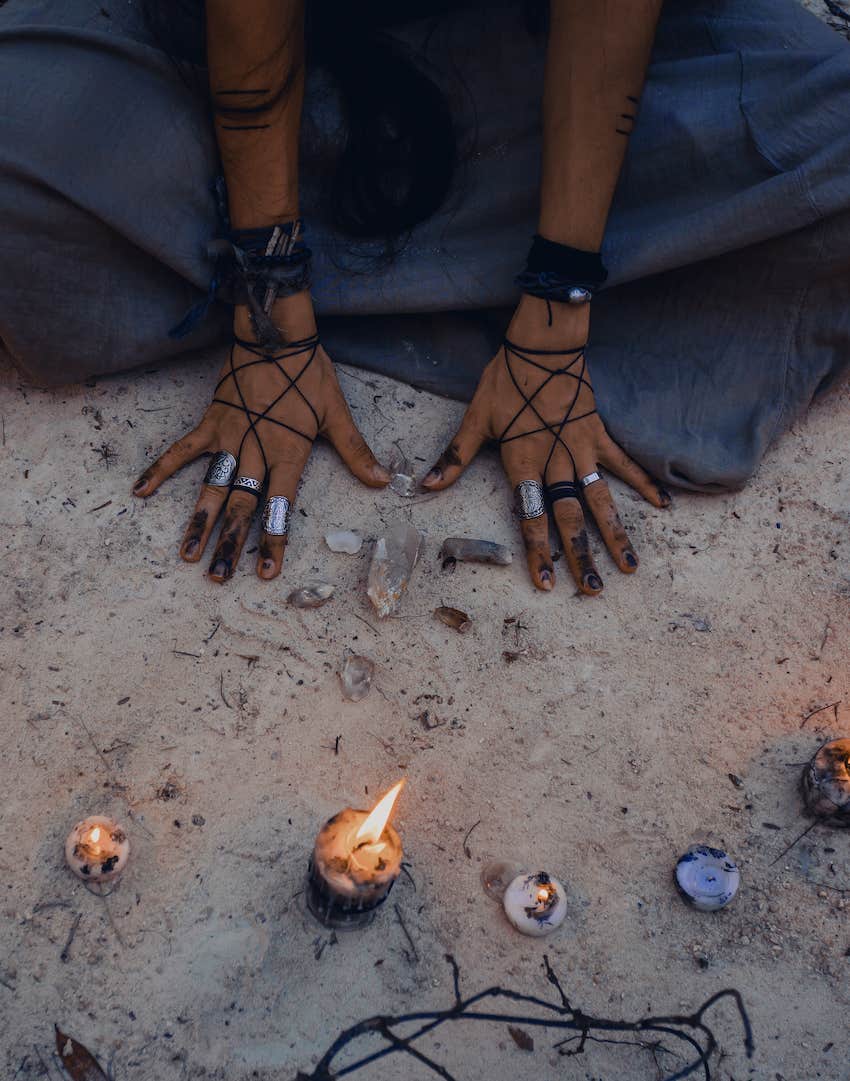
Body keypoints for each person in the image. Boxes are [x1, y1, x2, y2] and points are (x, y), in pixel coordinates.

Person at [2, 1, 849, 592]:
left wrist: (555, 314)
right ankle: (436, 274)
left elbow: (603, 40)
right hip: (272, 59)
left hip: (546, 62)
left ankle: (404, 270)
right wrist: (270, 311)